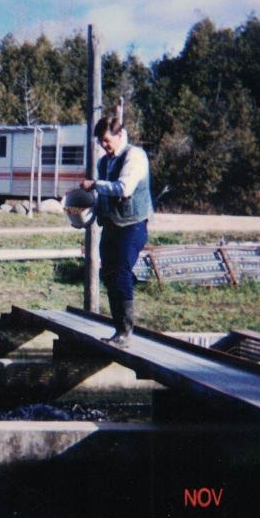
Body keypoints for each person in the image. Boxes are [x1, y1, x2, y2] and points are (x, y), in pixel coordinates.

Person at [80, 114, 153, 346]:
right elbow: (103, 196)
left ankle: (125, 331)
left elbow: (124, 188)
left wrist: (95, 184)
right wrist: (85, 214)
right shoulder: (104, 162)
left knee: (121, 272)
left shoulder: (135, 156)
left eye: (107, 140)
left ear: (120, 135)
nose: (104, 145)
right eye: (101, 141)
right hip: (111, 225)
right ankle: (118, 330)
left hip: (133, 225)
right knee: (110, 275)